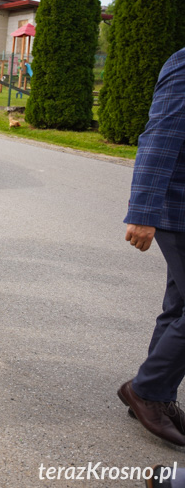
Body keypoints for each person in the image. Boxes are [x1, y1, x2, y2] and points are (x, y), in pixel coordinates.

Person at [118, 48, 185, 447]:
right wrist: (143, 211)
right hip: (178, 208)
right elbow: (160, 135)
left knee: (177, 308)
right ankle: (147, 391)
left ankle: (154, 394)